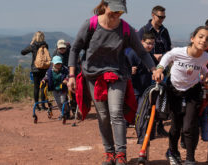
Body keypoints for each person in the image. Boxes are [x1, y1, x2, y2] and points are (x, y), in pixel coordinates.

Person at [67, 1, 156, 165]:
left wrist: (154, 69)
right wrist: (71, 75)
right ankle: (110, 153)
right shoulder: (91, 24)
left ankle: (121, 154)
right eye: (114, 10)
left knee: (116, 112)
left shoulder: (125, 29)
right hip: (93, 75)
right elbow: (75, 48)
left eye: (120, 12)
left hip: (117, 73)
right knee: (103, 115)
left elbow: (141, 52)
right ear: (105, 6)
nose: (116, 14)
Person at [153, 26, 208, 165]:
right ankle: (172, 152)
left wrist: (207, 75)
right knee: (176, 126)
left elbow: (202, 67)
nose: (204, 40)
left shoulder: (205, 56)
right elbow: (167, 57)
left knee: (189, 126)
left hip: (193, 91)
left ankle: (190, 159)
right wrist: (159, 69)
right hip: (174, 90)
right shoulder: (178, 52)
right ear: (192, 38)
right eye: (201, 36)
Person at [137, 5, 172, 137]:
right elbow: (138, 48)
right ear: (153, 15)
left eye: (164, 17)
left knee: (161, 96)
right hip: (148, 69)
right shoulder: (144, 30)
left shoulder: (165, 31)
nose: (162, 19)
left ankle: (160, 125)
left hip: (162, 68)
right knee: (148, 96)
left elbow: (168, 48)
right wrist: (152, 56)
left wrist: (164, 56)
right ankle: (146, 126)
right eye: (160, 17)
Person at [21, 31, 49, 111]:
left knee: (36, 87)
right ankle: (43, 105)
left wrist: (31, 44)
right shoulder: (45, 45)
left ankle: (37, 106)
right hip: (44, 68)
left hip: (35, 69)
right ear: (43, 37)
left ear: (35, 37)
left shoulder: (33, 45)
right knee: (43, 87)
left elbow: (22, 52)